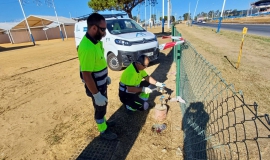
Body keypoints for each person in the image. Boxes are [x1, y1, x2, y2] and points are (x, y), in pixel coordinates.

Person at [77, 13, 117, 140]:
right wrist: (96, 94)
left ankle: (104, 122)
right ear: (94, 28)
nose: (105, 32)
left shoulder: (96, 42)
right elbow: (86, 74)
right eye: (103, 29)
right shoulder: (87, 47)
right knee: (100, 108)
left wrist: (105, 78)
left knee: (103, 106)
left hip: (101, 84)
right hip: (95, 88)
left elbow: (97, 64)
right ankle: (103, 130)